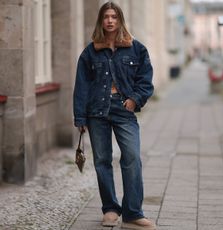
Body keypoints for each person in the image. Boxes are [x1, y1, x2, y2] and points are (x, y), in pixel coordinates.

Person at [73, 2, 156, 229]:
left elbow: (146, 81)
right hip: (96, 112)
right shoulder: (90, 52)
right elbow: (81, 86)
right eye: (106, 17)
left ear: (120, 20)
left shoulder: (136, 49)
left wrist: (135, 100)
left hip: (123, 109)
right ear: (101, 21)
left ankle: (132, 213)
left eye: (114, 17)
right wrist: (80, 118)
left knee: (131, 158)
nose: (110, 21)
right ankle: (110, 209)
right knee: (102, 161)